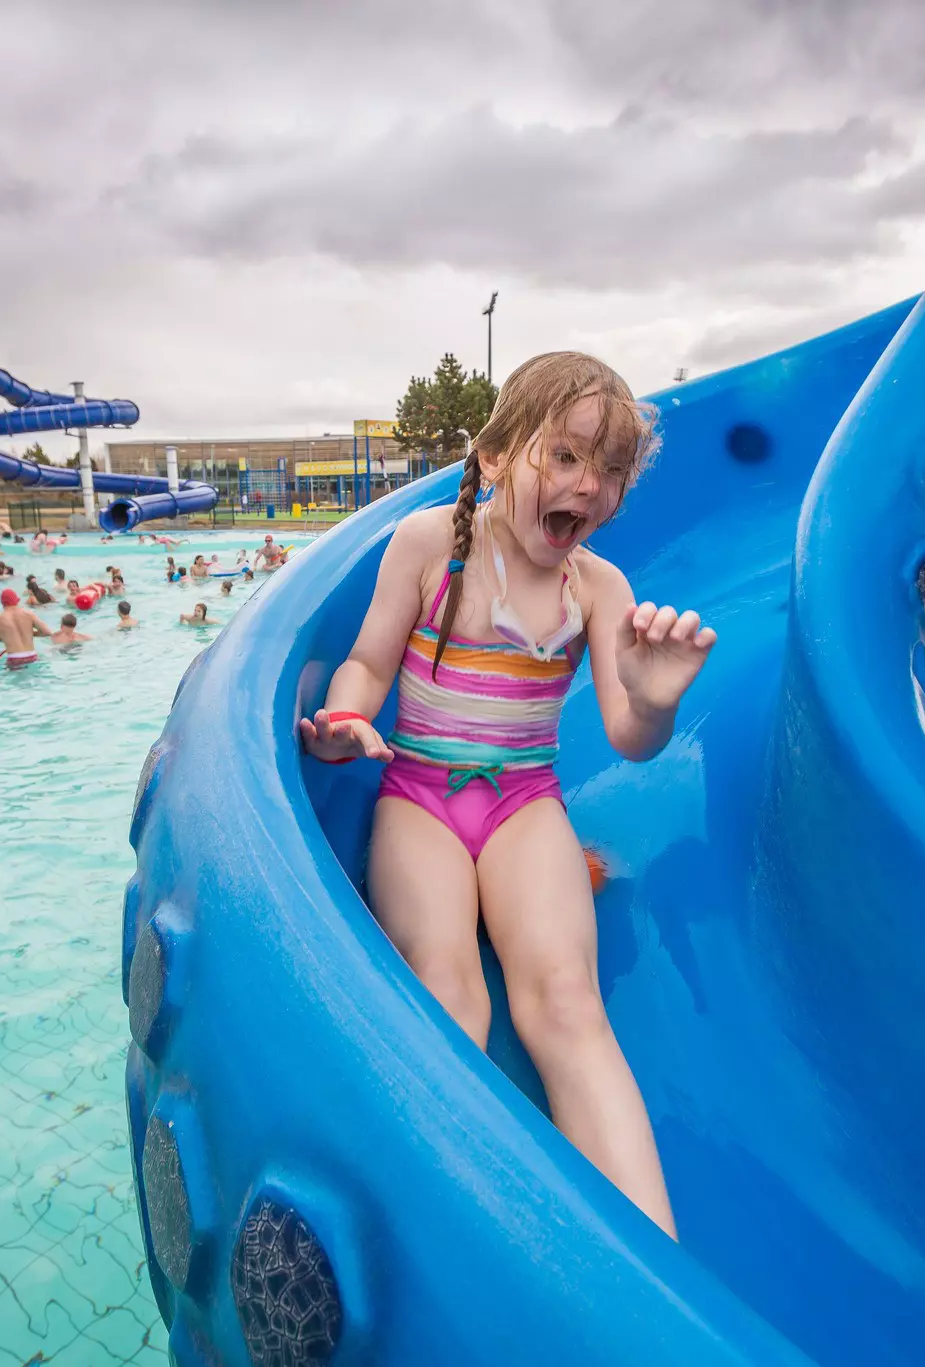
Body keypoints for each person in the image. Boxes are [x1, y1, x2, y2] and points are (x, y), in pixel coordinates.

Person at [296, 352, 716, 1236]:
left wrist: (652, 698)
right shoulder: (428, 549)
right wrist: (344, 720)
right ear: (493, 457)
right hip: (421, 794)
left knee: (566, 1001)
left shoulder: (598, 588)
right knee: (448, 988)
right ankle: (462, 1221)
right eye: (566, 457)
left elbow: (630, 740)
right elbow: (370, 659)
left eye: (609, 472)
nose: (588, 486)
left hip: (526, 805)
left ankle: (652, 1257)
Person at [0, 588, 51, 669]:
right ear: (17, 600)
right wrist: (32, 633)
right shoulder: (29, 614)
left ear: (2, 603)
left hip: (14, 660)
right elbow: (47, 632)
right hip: (32, 657)